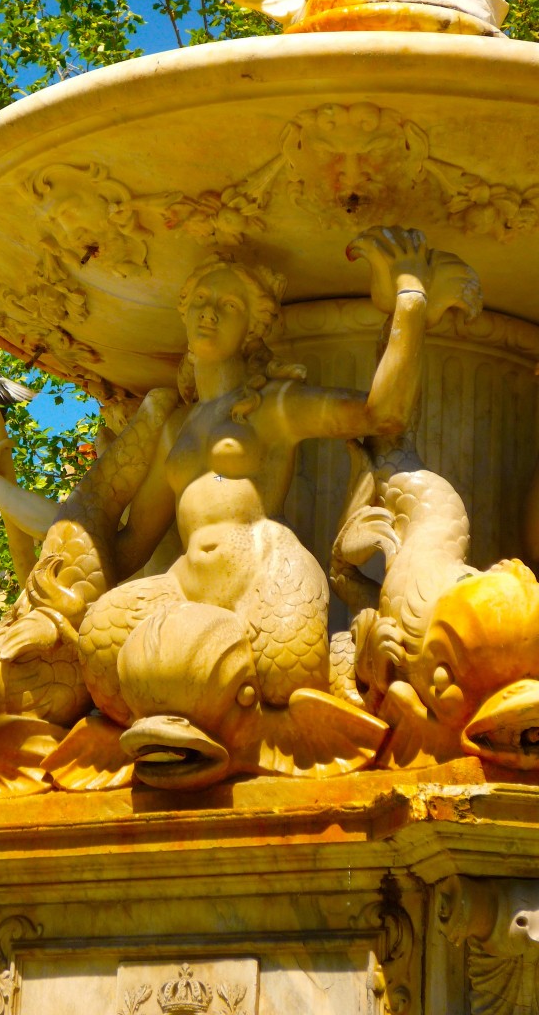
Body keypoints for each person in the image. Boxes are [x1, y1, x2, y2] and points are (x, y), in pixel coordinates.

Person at [74, 226, 481, 725]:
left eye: (228, 306)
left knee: (285, 678)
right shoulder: (177, 426)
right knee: (99, 650)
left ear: (252, 329)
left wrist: (410, 299)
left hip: (264, 570)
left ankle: (347, 670)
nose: (208, 311)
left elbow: (383, 415)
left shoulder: (273, 404)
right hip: (185, 584)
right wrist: (65, 561)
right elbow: (135, 539)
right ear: (183, 313)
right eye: (201, 299)